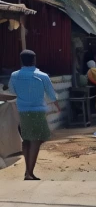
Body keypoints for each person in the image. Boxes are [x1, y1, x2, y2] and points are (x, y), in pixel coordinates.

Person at [8, 50, 60, 180]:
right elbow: (52, 95)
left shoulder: (14, 76)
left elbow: (11, 91)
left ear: (21, 60)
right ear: (34, 60)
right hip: (37, 112)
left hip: (22, 111)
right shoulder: (42, 76)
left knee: (26, 140)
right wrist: (57, 107)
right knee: (36, 140)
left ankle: (27, 171)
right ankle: (29, 173)